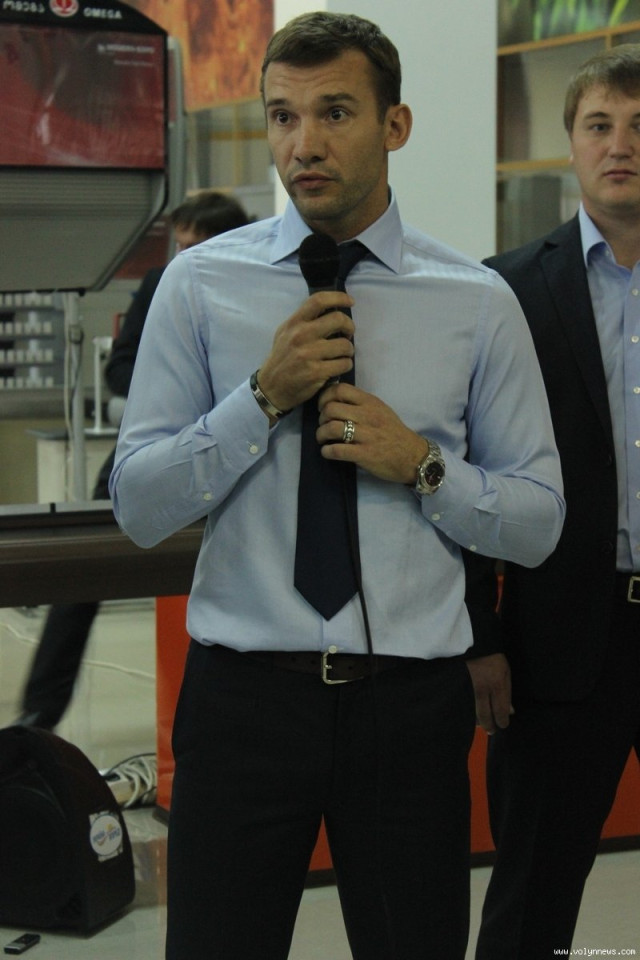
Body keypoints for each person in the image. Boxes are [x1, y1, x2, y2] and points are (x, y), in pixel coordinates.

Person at [110, 13, 564, 960]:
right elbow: (140, 506)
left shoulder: (477, 303)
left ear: (395, 125)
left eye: (335, 113)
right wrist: (259, 399)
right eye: (283, 116)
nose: (303, 144)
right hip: (243, 704)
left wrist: (423, 465)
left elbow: (537, 522)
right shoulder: (197, 286)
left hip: (409, 708)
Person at [465, 43, 640, 960]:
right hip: (558, 641)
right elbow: (469, 472)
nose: (621, 144)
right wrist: (479, 635)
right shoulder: (507, 289)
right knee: (533, 897)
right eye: (599, 125)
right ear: (570, 142)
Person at [15, 191, 251, 731]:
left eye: (196, 244)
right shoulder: (163, 283)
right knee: (83, 575)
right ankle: (38, 716)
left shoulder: (259, 290)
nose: (184, 254)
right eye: (180, 243)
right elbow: (119, 368)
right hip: (160, 449)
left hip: (236, 451)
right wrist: (171, 391)